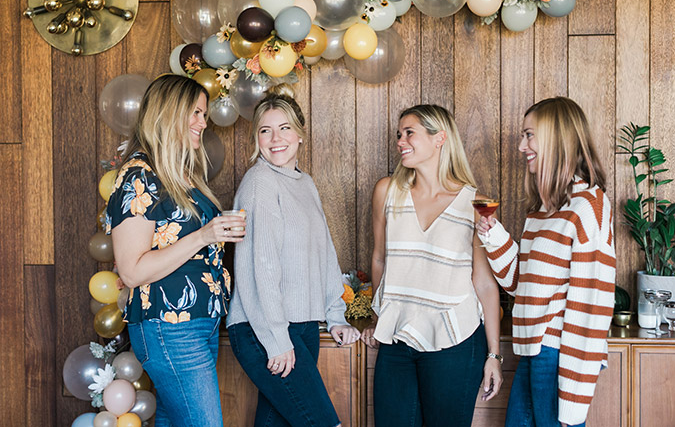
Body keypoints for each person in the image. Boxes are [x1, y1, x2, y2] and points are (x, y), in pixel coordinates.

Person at [106, 74, 246, 427]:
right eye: (195, 113)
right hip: (169, 327)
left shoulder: (181, 174)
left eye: (204, 114)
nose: (203, 122)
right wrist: (204, 235)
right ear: (169, 113)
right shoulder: (140, 176)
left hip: (200, 323)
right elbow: (132, 271)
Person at [476, 97, 616, 427]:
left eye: (529, 135)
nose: (522, 146)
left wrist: (571, 405)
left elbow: (591, 306)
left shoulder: (589, 206)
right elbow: (521, 286)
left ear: (556, 138)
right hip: (531, 352)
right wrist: (494, 235)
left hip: (556, 357)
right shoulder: (543, 210)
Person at [226, 84, 360, 427]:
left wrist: (336, 315)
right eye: (265, 131)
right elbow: (261, 267)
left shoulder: (305, 183)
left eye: (284, 128)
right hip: (262, 327)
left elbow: (324, 255)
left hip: (302, 325)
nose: (275, 139)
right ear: (256, 138)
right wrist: (275, 338)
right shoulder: (260, 182)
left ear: (300, 135)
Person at [362, 104, 503, 427]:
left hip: (455, 339)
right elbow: (380, 258)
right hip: (397, 339)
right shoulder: (387, 192)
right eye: (399, 134)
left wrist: (494, 356)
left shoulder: (474, 204)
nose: (400, 141)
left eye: (409, 133)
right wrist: (377, 317)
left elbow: (483, 283)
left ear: (440, 138)